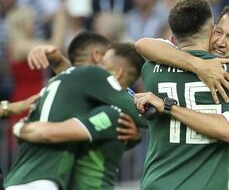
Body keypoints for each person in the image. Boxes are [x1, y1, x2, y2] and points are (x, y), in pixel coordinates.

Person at [134, 3, 229, 190]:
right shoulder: (185, 64)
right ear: (211, 29)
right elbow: (145, 45)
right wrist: (198, 65)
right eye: (219, 32)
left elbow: (227, 130)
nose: (220, 42)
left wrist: (169, 107)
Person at [4, 33, 146, 190]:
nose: (101, 70)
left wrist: (19, 127)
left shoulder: (58, 85)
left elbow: (49, 132)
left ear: (118, 73)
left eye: (105, 64)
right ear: (95, 56)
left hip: (23, 177)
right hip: (41, 180)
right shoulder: (96, 100)